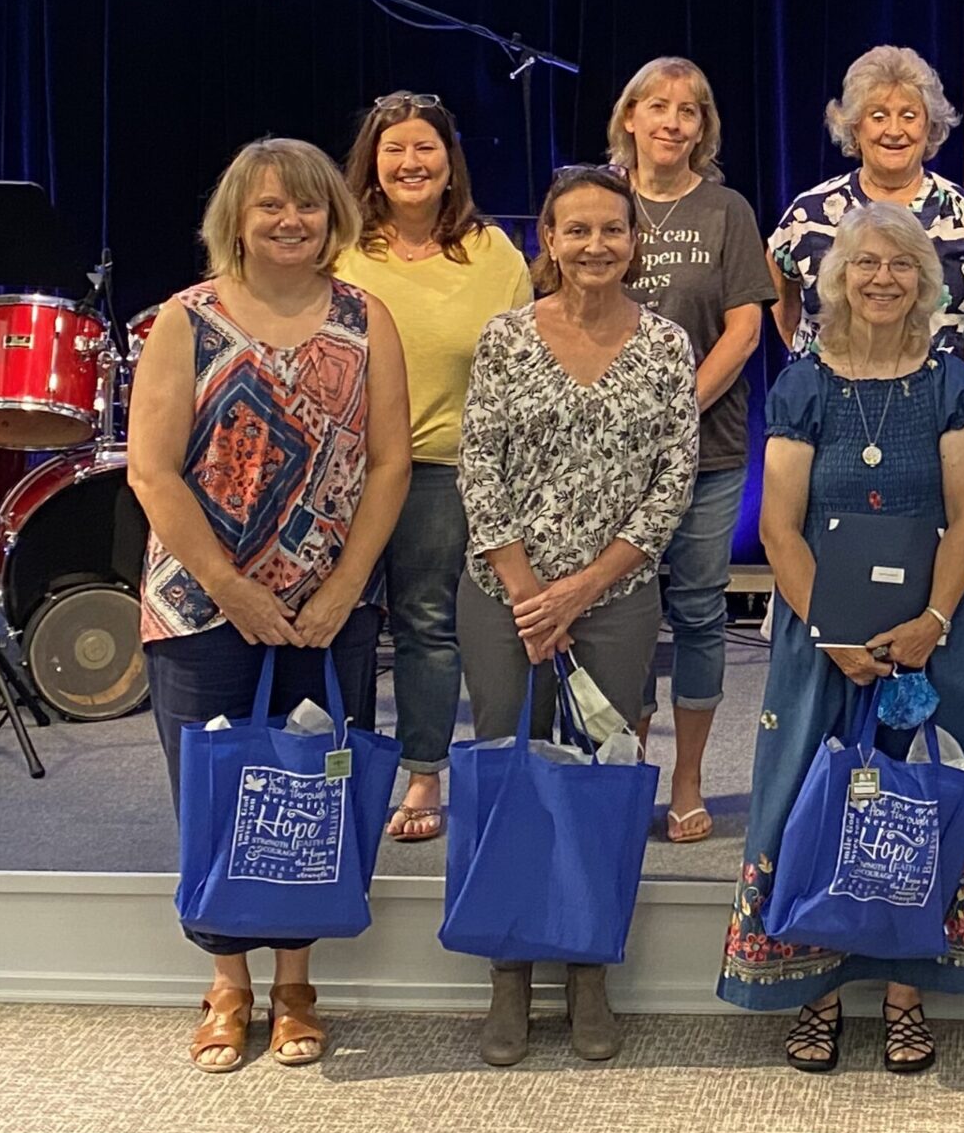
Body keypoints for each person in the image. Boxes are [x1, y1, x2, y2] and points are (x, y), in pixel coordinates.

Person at [721, 203, 964, 1069]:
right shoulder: (804, 385)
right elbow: (780, 527)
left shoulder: (950, 383)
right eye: (866, 264)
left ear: (928, 283)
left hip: (934, 629)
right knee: (815, 796)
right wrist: (833, 634)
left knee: (916, 801)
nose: (883, 279)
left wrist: (930, 623)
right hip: (823, 635)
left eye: (901, 265)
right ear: (837, 278)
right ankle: (815, 991)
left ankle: (904, 996)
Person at [129, 137, 412, 1074]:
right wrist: (231, 587)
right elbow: (151, 470)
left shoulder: (367, 319)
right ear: (236, 221)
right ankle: (228, 983)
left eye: (310, 206)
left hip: (331, 604)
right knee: (214, 794)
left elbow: (388, 464)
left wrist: (340, 588)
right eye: (271, 207)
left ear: (336, 218)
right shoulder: (187, 317)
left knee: (308, 792)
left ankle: (296, 984)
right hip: (204, 601)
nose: (292, 222)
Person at [456, 165, 700, 1066]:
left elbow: (673, 482)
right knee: (508, 772)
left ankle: (590, 967)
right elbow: (477, 470)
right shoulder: (506, 340)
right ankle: (511, 970)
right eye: (576, 231)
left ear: (635, 241)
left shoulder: (668, 345)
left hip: (617, 600)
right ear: (547, 243)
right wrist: (531, 595)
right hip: (504, 602)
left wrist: (582, 590)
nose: (596, 246)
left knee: (603, 776)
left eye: (613, 230)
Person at [333, 91, 534, 845]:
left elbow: (522, 366)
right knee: (342, 624)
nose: (411, 163)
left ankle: (423, 770)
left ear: (451, 163)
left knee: (424, 624)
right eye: (394, 150)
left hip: (440, 471)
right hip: (344, 474)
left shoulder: (492, 255)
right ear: (372, 166)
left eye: (426, 148)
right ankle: (339, 765)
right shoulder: (341, 249)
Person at [609, 57, 774, 843]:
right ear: (630, 118)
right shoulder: (600, 201)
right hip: (605, 458)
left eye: (690, 111)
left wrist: (672, 414)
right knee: (625, 613)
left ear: (703, 128)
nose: (673, 122)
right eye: (658, 106)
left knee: (701, 612)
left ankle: (687, 779)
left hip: (706, 449)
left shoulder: (726, 210)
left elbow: (745, 329)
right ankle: (626, 770)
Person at [768, 44, 964, 387]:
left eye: (909, 115)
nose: (894, 131)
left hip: (946, 415)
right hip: (830, 409)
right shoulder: (808, 213)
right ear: (854, 128)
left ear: (930, 126)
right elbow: (783, 302)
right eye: (878, 116)